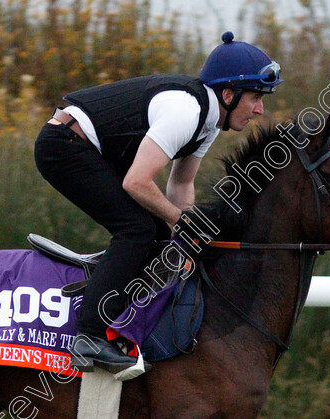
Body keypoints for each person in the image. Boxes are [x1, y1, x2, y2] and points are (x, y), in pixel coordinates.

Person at [34, 32, 282, 373]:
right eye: (255, 96)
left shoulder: (209, 122)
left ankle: (119, 314)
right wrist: (180, 221)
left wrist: (189, 236)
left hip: (90, 148)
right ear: (229, 93)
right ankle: (89, 336)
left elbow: (180, 183)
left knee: (161, 237)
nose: (259, 109)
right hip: (63, 147)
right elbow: (137, 183)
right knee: (136, 230)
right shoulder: (186, 112)